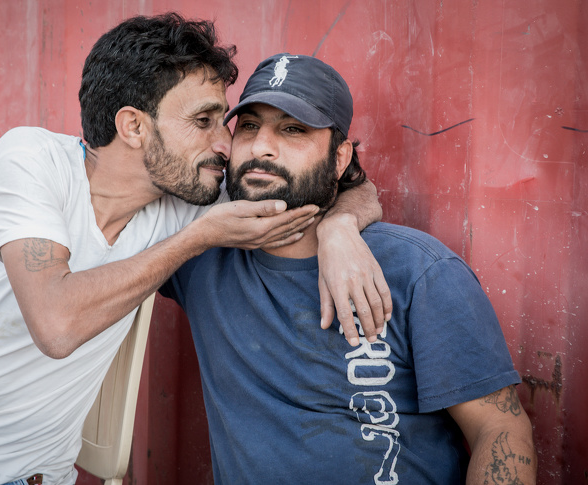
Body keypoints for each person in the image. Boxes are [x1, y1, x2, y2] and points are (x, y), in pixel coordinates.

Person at [0, 15, 390, 485]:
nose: (226, 145)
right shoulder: (32, 160)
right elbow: (57, 324)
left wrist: (340, 229)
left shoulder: (188, 195)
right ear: (133, 125)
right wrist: (198, 239)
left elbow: (342, 184)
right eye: (203, 121)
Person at [159, 53, 537, 484]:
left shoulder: (419, 272)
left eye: (292, 129)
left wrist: (338, 226)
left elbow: (499, 428)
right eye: (248, 126)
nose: (261, 146)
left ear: (339, 159)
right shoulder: (200, 252)